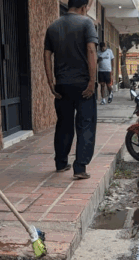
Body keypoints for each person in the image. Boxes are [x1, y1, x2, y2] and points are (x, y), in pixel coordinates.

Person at [43, 0, 97, 180]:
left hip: (62, 85)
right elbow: (91, 51)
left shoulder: (53, 26)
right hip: (83, 85)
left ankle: (60, 163)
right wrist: (92, 81)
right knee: (85, 124)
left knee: (63, 124)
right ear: (83, 7)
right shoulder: (87, 23)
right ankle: (80, 167)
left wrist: (51, 82)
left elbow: (47, 54)